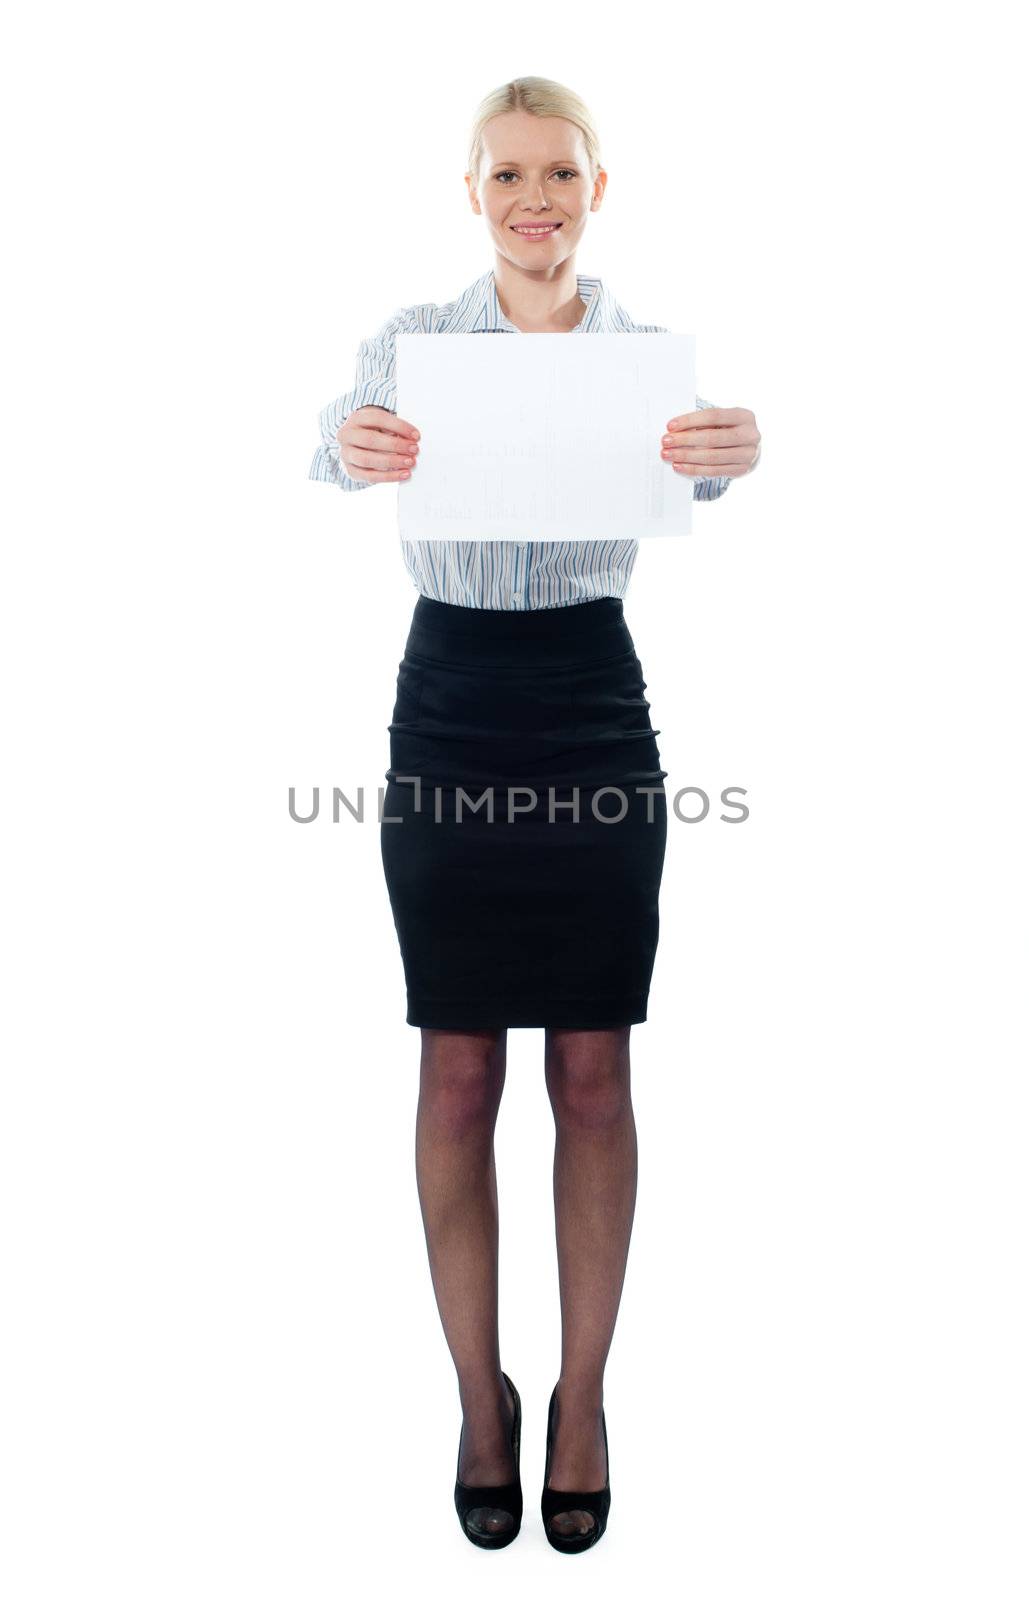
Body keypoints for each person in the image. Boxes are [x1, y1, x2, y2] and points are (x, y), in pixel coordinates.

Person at [309, 76, 761, 1554]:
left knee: (590, 1073)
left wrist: (731, 451)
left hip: (586, 704)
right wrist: (355, 439)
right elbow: (334, 435)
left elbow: (705, 468)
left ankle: (578, 1396)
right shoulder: (414, 346)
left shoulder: (645, 360)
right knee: (454, 1072)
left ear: (596, 189)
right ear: (473, 193)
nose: (533, 200)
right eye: (506, 175)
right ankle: (476, 1397)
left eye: (558, 173)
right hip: (447, 701)